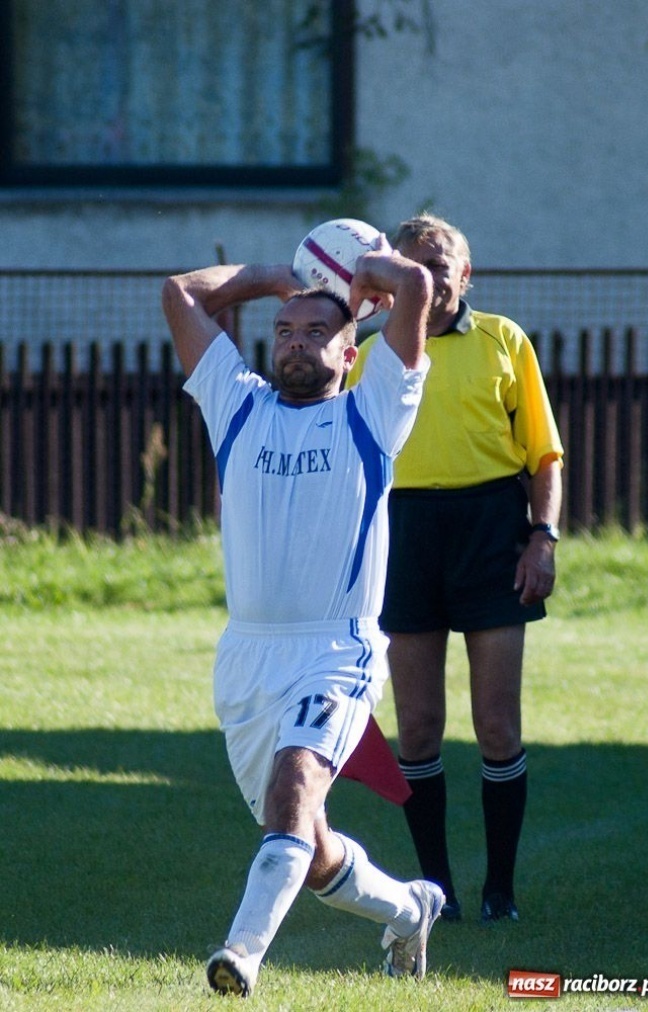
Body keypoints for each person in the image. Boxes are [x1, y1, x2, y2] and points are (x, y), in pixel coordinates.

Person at [161, 240, 445, 998]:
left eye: (316, 332)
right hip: (246, 659)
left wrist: (366, 276)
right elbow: (181, 293)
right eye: (284, 332)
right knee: (308, 848)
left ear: (351, 353)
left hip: (336, 652)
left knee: (295, 787)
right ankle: (409, 909)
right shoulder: (237, 406)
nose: (294, 343)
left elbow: (417, 286)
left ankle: (240, 955)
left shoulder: (373, 413)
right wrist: (272, 280)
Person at [345, 213, 564, 924]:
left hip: (491, 531)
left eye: (440, 265)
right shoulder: (368, 355)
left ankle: (501, 890)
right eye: (413, 266)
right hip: (403, 533)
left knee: (497, 726)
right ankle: (436, 889)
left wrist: (542, 538)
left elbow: (544, 457)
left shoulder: (504, 340)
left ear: (465, 275)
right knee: (416, 728)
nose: (429, 278)